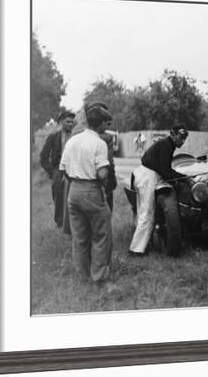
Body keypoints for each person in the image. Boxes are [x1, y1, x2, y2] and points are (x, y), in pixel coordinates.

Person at [60, 105, 113, 283]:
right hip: (91, 189)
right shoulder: (99, 143)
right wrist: (104, 176)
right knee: (101, 234)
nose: (107, 127)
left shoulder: (72, 141)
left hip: (73, 189)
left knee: (79, 237)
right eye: (106, 123)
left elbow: (64, 169)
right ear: (100, 124)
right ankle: (98, 277)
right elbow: (102, 174)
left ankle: (83, 276)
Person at [129, 125, 189, 255]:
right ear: (172, 134)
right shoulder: (166, 145)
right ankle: (136, 251)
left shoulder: (167, 144)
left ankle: (142, 246)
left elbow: (163, 170)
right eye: (180, 137)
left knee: (143, 213)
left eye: (184, 138)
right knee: (147, 214)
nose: (182, 141)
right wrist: (184, 178)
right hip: (147, 177)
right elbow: (165, 171)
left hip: (143, 174)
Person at [39, 110, 76, 230]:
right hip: (58, 170)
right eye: (67, 122)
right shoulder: (54, 137)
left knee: (74, 195)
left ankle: (73, 222)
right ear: (61, 122)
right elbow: (43, 157)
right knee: (58, 195)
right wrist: (52, 171)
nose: (70, 124)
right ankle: (59, 222)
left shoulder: (76, 137)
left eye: (72, 122)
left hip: (74, 169)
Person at [85, 102, 117, 211]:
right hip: (103, 178)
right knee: (105, 211)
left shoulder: (79, 135)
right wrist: (112, 179)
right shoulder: (106, 138)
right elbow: (109, 161)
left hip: (82, 183)